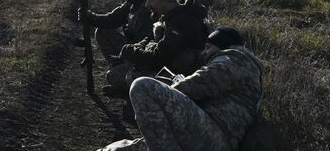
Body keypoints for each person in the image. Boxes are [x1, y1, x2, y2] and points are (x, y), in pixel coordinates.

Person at [97, 27, 263, 151]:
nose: (204, 54)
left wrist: (171, 87)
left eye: (208, 47)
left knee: (143, 86)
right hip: (204, 132)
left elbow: (196, 84)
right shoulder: (239, 65)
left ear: (223, 46)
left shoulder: (236, 59)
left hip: (214, 135)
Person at [77, 0, 154, 95]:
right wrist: (89, 17)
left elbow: (146, 50)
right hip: (131, 50)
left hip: (142, 58)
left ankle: (127, 85)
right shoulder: (131, 4)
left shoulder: (145, 13)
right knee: (102, 31)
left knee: (112, 76)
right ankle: (119, 68)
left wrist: (129, 60)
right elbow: (111, 20)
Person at [119, 0, 208, 87]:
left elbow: (159, 58)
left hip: (186, 78)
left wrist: (130, 52)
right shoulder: (168, 15)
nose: (147, 4)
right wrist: (136, 47)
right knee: (116, 75)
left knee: (133, 77)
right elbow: (150, 38)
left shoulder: (181, 21)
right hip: (170, 66)